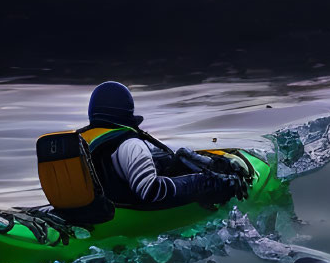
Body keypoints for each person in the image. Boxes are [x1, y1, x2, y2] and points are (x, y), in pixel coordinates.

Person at [79, 81, 239, 212]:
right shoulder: (130, 145)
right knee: (208, 181)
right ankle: (230, 182)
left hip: (100, 209)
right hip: (135, 210)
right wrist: (203, 182)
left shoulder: (82, 143)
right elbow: (150, 191)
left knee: (178, 157)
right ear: (127, 110)